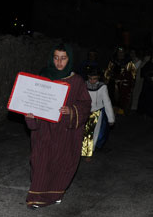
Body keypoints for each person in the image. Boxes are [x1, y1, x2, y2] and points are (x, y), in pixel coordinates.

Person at [25, 44, 91, 208]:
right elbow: (33, 99)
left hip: (65, 133)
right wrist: (30, 115)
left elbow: (85, 105)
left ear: (69, 59)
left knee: (60, 163)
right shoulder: (43, 77)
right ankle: (36, 198)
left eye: (63, 58)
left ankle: (55, 194)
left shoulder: (76, 81)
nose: (59, 62)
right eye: (56, 58)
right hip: (44, 130)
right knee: (39, 160)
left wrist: (72, 110)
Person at [81, 67, 115, 159]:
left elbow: (107, 102)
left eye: (94, 79)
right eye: (90, 78)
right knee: (83, 132)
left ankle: (89, 152)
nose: (92, 81)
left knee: (93, 133)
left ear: (98, 78)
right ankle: (81, 151)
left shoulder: (102, 87)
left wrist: (111, 118)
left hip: (96, 112)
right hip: (85, 112)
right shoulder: (83, 85)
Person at [103, 46, 137, 113]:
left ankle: (122, 112)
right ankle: (113, 112)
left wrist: (132, 82)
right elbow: (108, 71)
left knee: (123, 99)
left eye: (122, 52)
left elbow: (133, 73)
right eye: (119, 52)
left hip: (124, 85)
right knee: (112, 97)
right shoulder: (113, 61)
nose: (120, 54)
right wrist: (106, 79)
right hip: (113, 83)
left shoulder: (129, 62)